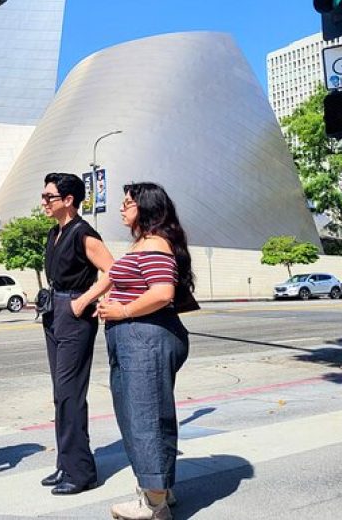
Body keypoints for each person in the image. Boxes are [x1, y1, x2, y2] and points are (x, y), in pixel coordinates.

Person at [94, 182, 192, 520]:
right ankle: (158, 490)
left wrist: (122, 310)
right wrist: (111, 301)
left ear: (146, 208)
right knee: (139, 414)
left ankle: (154, 504)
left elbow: (163, 292)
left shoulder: (154, 244)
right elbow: (139, 285)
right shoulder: (143, 244)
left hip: (145, 340)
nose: (121, 208)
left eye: (128, 203)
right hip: (135, 339)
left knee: (146, 417)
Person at [38, 173, 115, 495]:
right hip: (54, 312)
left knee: (70, 393)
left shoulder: (84, 233)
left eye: (49, 197)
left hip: (74, 315)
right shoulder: (56, 232)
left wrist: (84, 301)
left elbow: (114, 270)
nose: (43, 202)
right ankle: (66, 463)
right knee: (61, 394)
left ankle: (81, 473)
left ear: (68, 200)